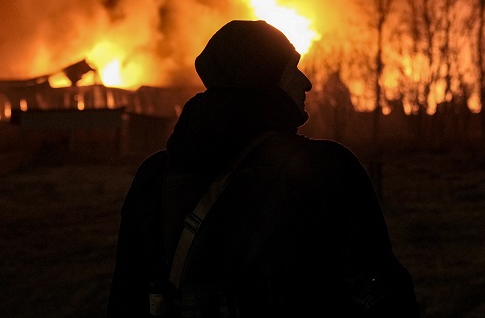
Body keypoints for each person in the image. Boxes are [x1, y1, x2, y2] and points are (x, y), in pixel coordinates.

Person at [107, 20, 420, 317]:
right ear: (261, 78)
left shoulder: (154, 177)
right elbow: (380, 293)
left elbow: (127, 300)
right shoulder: (322, 168)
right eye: (291, 68)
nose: (306, 82)